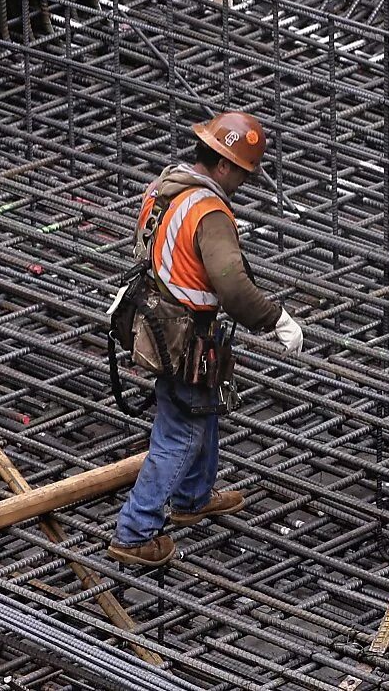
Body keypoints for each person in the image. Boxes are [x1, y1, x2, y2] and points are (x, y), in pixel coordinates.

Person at [109, 112, 305, 567]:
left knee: (202, 408)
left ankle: (193, 497)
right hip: (183, 335)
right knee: (180, 432)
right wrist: (276, 318)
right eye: (242, 172)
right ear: (224, 165)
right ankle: (135, 532)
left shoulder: (167, 187)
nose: (243, 181)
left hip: (155, 319)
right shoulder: (209, 211)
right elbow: (233, 287)